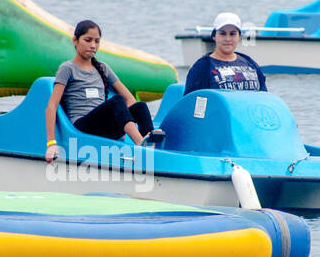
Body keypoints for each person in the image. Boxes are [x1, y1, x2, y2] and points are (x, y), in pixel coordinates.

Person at [45, 20, 158, 163]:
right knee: (116, 101)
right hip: (82, 126)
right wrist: (51, 143)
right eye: (88, 40)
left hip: (103, 125)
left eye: (97, 41)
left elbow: (130, 99)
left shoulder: (103, 68)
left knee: (140, 106)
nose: (93, 45)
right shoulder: (67, 68)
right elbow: (52, 106)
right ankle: (141, 145)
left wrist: (122, 120)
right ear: (75, 40)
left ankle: (152, 145)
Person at [184, 12, 268, 93]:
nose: (227, 39)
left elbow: (264, 97)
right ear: (214, 36)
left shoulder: (250, 63)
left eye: (232, 34)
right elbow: (192, 101)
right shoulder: (203, 66)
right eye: (222, 34)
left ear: (239, 37)